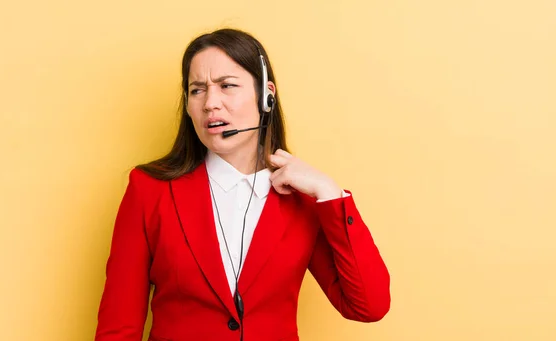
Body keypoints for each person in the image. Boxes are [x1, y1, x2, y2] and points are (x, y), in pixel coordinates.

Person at [95, 28, 391, 341]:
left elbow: (368, 306)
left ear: (267, 96)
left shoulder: (303, 200)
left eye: (227, 86)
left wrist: (330, 194)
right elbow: (118, 328)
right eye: (197, 90)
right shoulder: (149, 190)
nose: (210, 103)